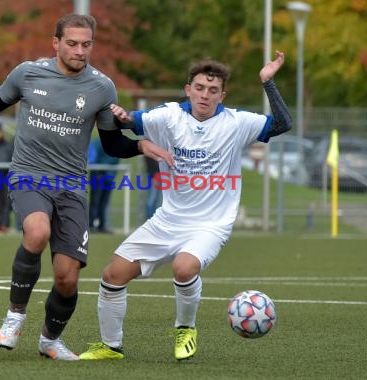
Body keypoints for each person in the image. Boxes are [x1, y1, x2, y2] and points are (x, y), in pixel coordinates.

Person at [0, 14, 172, 361]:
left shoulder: (102, 88)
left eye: (86, 44)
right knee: (36, 232)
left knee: (67, 279)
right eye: (72, 43)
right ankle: (15, 316)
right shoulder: (28, 73)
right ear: (56, 43)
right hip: (29, 174)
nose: (80, 51)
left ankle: (50, 340)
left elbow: (110, 143)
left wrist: (139, 145)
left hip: (73, 186)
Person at [79, 51, 292, 361]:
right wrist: (119, 115)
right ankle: (111, 347)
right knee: (113, 275)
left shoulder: (237, 123)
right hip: (168, 220)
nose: (205, 95)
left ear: (222, 95)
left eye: (213, 90)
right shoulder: (167, 116)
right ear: (188, 89)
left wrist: (268, 82)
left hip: (211, 223)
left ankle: (185, 328)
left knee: (184, 266)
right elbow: (123, 123)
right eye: (200, 88)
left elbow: (283, 124)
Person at [88, 136, 119, 233]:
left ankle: (102, 225)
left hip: (109, 176)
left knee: (104, 202)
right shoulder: (98, 142)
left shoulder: (117, 144)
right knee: (95, 202)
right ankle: (90, 225)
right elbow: (92, 158)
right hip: (98, 175)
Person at [144, 156, 162, 220]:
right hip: (154, 174)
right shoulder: (151, 147)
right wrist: (152, 174)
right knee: (151, 201)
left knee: (157, 202)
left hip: (161, 174)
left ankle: (155, 221)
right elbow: (149, 159)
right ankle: (150, 220)